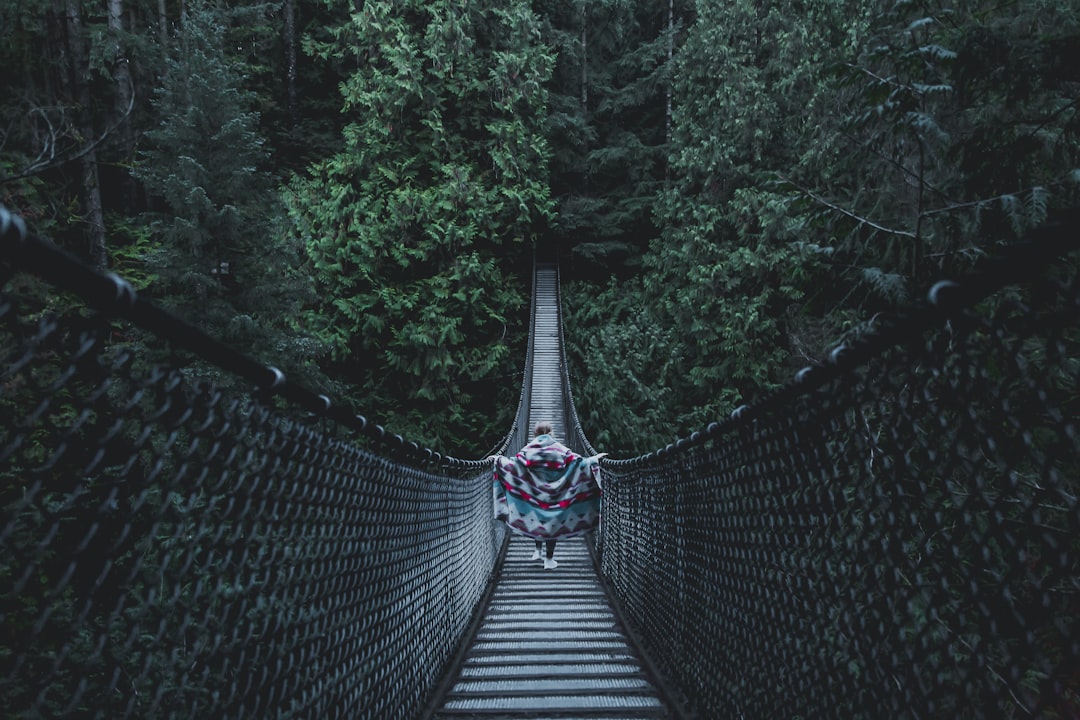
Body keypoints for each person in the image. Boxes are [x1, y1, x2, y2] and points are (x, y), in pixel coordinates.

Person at [489, 422, 607, 569]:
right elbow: (579, 463)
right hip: (555, 497)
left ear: (535, 434)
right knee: (552, 526)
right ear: (551, 433)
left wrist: (498, 460)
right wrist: (595, 459)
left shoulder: (528, 450)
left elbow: (514, 465)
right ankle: (549, 559)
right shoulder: (561, 450)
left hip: (534, 495)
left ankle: (537, 551)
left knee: (536, 518)